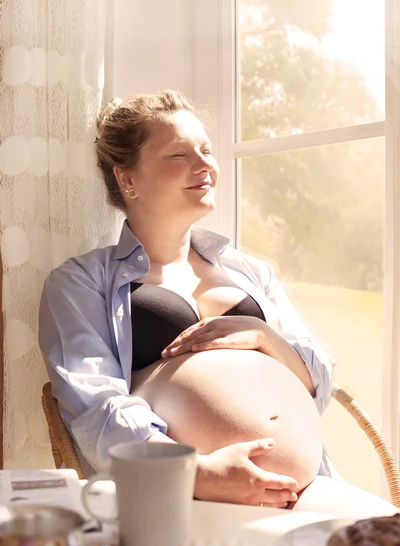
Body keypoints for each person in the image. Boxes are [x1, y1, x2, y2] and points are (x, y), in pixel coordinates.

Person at [39, 90, 396, 516]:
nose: (205, 164)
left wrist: (264, 337)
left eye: (207, 150)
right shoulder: (80, 282)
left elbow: (318, 380)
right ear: (127, 179)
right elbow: (95, 408)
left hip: (303, 487)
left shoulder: (251, 272)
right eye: (178, 154)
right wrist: (199, 472)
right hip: (180, 496)